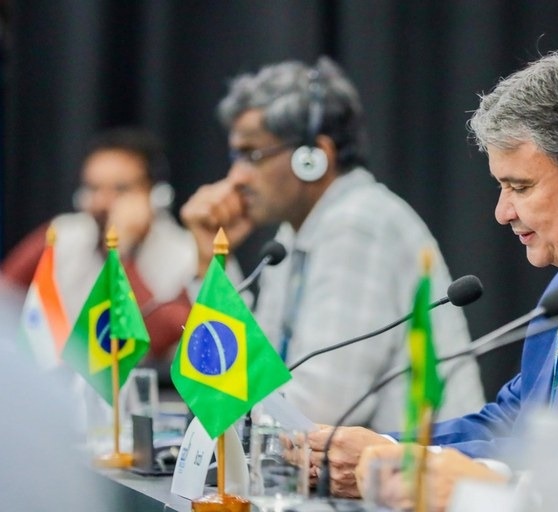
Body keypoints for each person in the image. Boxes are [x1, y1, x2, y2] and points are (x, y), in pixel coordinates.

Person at [310, 51, 558, 499]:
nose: (502, 212)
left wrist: (406, 466)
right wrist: (387, 448)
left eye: (521, 187)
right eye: (501, 186)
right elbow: (511, 419)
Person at [180, 57, 484, 433]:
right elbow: (254, 370)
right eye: (235, 156)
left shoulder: (359, 224)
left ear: (313, 157)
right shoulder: (295, 233)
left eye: (252, 155)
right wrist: (214, 263)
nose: (236, 176)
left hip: (418, 475)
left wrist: (227, 402)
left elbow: (313, 412)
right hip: (346, 478)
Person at [1, 127, 195, 364]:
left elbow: (162, 339)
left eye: (120, 189)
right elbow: (5, 296)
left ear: (156, 194)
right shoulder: (60, 236)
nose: (102, 202)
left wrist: (121, 254)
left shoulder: (187, 254)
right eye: (93, 189)